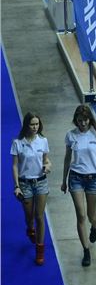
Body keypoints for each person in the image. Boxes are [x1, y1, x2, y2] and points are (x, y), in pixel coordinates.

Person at [61, 104, 96, 267]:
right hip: (75, 178)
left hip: (93, 178)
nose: (82, 123)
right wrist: (64, 180)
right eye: (80, 120)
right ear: (76, 120)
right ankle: (86, 250)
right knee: (81, 215)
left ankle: (95, 226)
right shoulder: (71, 135)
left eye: (85, 120)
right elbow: (67, 158)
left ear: (90, 119)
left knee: (91, 215)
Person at [11, 112, 51, 265]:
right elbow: (15, 166)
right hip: (25, 184)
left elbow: (46, 160)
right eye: (32, 124)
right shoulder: (17, 143)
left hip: (41, 183)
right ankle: (30, 228)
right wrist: (17, 186)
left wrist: (47, 166)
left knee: (39, 216)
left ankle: (40, 251)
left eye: (37, 124)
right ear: (26, 125)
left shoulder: (43, 141)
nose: (35, 127)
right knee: (29, 216)